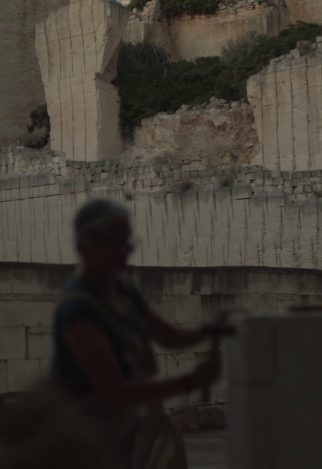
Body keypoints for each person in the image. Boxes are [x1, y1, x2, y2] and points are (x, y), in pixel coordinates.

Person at [51, 198, 229, 469]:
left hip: (134, 426)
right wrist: (191, 381)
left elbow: (167, 336)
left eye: (128, 240)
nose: (129, 249)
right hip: (94, 436)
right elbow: (114, 393)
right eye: (119, 242)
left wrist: (209, 330)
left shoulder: (122, 288)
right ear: (88, 246)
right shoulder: (78, 311)